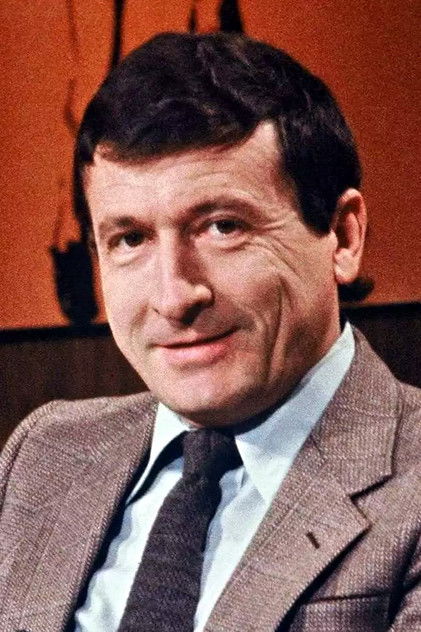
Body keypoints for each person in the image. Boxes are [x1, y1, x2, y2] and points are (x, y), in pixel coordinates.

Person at [0, 32, 420, 632]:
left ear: (343, 237)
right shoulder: (43, 454)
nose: (173, 297)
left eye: (223, 227)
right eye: (130, 239)